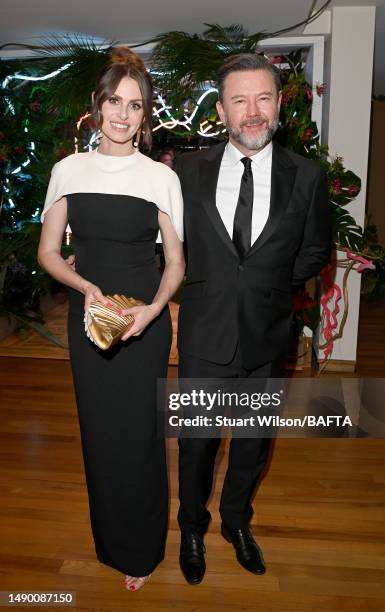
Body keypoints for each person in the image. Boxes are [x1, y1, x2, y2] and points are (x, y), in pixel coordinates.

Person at [175, 53, 331, 584]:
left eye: (263, 97)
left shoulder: (307, 177)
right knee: (196, 444)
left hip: (268, 335)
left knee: (252, 441)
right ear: (221, 111)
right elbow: (168, 250)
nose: (253, 111)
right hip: (203, 334)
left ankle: (236, 521)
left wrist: (266, 288)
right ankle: (191, 527)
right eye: (239, 100)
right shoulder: (185, 172)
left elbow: (315, 252)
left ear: (279, 104)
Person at [37, 47, 185, 591]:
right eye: (115, 102)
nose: (123, 114)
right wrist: (84, 286)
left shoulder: (160, 178)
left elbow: (176, 263)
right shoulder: (67, 171)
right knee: (100, 435)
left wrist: (152, 311)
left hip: (144, 322)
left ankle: (142, 549)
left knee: (142, 437)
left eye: (136, 105)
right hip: (91, 320)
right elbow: (49, 253)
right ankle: (113, 543)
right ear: (97, 106)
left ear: (146, 116)